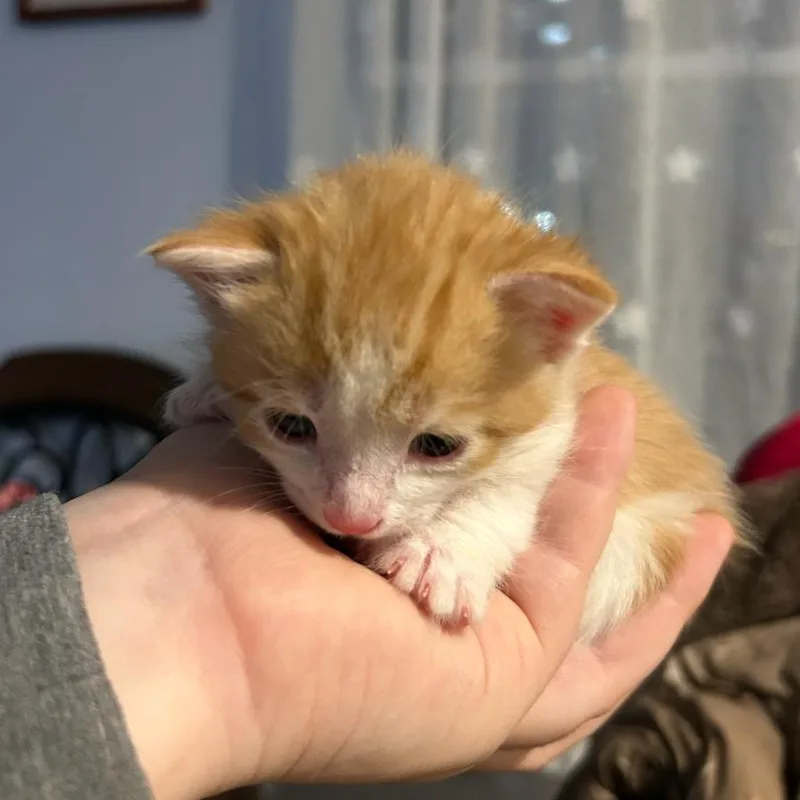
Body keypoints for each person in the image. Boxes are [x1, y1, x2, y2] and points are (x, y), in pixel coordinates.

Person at [0, 387, 733, 800]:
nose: (351, 512)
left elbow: (539, 442)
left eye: (433, 443)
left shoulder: (535, 395)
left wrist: (470, 540)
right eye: (295, 422)